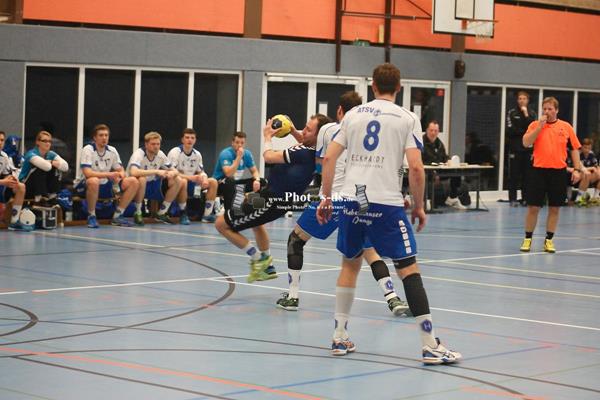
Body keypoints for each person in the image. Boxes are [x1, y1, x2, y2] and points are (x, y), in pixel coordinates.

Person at [317, 63, 461, 364]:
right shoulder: (407, 118)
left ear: (373, 86)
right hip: (385, 203)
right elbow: (417, 168)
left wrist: (326, 198)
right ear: (398, 87)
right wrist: (419, 206)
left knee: (350, 264)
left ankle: (339, 337)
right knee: (408, 268)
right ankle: (429, 344)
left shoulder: (353, 115)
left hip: (352, 200)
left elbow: (328, 158)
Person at [276, 91, 410, 317]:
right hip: (360, 200)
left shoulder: (329, 129)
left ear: (339, 110)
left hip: (334, 199)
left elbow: (320, 159)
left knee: (295, 240)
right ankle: (393, 298)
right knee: (369, 250)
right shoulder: (366, 131)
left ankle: (293, 296)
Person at [215, 114, 330, 283]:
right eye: (304, 127)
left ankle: (258, 259)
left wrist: (267, 136)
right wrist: (292, 130)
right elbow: (304, 140)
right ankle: (268, 267)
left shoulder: (304, 153)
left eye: (308, 129)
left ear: (318, 136)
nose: (303, 131)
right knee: (257, 223)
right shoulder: (314, 150)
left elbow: (268, 156)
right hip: (270, 195)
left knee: (221, 224)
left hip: (272, 200)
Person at [520, 97, 582, 253]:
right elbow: (526, 143)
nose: (547, 112)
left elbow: (574, 148)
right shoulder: (534, 125)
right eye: (544, 109)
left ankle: (549, 240)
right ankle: (528, 239)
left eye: (550, 109)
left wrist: (577, 169)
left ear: (556, 110)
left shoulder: (566, 127)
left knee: (555, 208)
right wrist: (539, 127)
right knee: (533, 207)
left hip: (558, 172)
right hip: (538, 171)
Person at [74, 124, 140, 228]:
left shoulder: (112, 150)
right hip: (84, 186)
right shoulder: (88, 149)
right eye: (101, 135)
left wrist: (120, 176)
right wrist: (109, 174)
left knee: (133, 181)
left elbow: (120, 169)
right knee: (94, 180)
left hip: (105, 184)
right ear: (95, 138)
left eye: (106, 135)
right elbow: (87, 173)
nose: (104, 138)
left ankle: (118, 215)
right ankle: (91, 216)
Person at [127, 131, 184, 225]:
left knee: (178, 180)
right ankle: (138, 212)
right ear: (146, 144)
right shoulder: (139, 154)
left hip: (153, 185)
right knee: (142, 179)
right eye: (153, 144)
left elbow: (175, 170)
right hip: (135, 186)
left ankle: (162, 212)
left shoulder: (160, 154)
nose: (156, 146)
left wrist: (171, 173)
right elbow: (133, 172)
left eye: (158, 144)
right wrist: (156, 171)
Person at [167, 128, 218, 224]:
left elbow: (201, 171)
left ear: (195, 140)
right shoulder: (175, 152)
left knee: (213, 182)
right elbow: (173, 173)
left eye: (192, 138)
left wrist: (204, 178)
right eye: (187, 137)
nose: (189, 140)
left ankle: (207, 215)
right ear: (182, 140)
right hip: (177, 184)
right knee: (183, 181)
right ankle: (183, 214)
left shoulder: (197, 154)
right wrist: (191, 178)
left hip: (193, 184)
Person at [421, 121, 467, 210]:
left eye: (435, 131)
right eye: (431, 130)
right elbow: (420, 159)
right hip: (426, 171)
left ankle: (452, 198)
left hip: (439, 170)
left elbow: (444, 157)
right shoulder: (421, 142)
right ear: (427, 130)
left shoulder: (439, 143)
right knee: (429, 175)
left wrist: (449, 161)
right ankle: (426, 200)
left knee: (456, 171)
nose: (433, 133)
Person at [19, 130, 69, 203]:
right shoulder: (31, 154)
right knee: (41, 167)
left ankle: (52, 195)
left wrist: (51, 162)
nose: (47, 143)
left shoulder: (51, 154)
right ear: (37, 142)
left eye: (49, 141)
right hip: (25, 187)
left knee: (56, 167)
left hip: (42, 187)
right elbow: (47, 167)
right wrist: (51, 162)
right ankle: (38, 198)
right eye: (44, 141)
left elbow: (65, 167)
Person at [506, 91, 537, 206]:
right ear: (517, 100)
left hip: (528, 149)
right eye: (520, 98)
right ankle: (512, 199)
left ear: (528, 100)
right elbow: (510, 130)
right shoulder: (511, 113)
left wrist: (526, 114)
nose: (522, 100)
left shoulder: (532, 113)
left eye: (524, 98)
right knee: (514, 175)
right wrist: (525, 132)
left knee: (527, 176)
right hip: (515, 149)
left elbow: (533, 129)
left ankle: (525, 199)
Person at [0, 131, 30, 231]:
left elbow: (5, 174)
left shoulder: (4, 156)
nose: (0, 142)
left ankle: (14, 221)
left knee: (20, 186)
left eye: (2, 140)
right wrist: (3, 182)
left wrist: (11, 178)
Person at [574, 138, 599, 205]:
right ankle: (579, 199)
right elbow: (581, 168)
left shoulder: (591, 154)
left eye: (589, 148)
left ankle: (595, 198)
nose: (587, 150)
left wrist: (596, 170)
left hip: (588, 176)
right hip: (576, 176)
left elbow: (596, 167)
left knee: (598, 173)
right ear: (581, 146)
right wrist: (591, 168)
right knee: (586, 174)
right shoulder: (577, 154)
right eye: (585, 147)